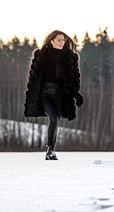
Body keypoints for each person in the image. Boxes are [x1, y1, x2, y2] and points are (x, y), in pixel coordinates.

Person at [24, 30, 83, 160]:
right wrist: (31, 96)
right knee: (54, 118)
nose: (62, 42)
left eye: (64, 40)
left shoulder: (70, 57)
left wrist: (76, 95)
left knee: (56, 120)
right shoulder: (41, 56)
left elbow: (73, 79)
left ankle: (51, 150)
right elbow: (33, 78)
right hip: (44, 94)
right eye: (59, 40)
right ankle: (50, 149)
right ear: (52, 41)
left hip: (60, 95)